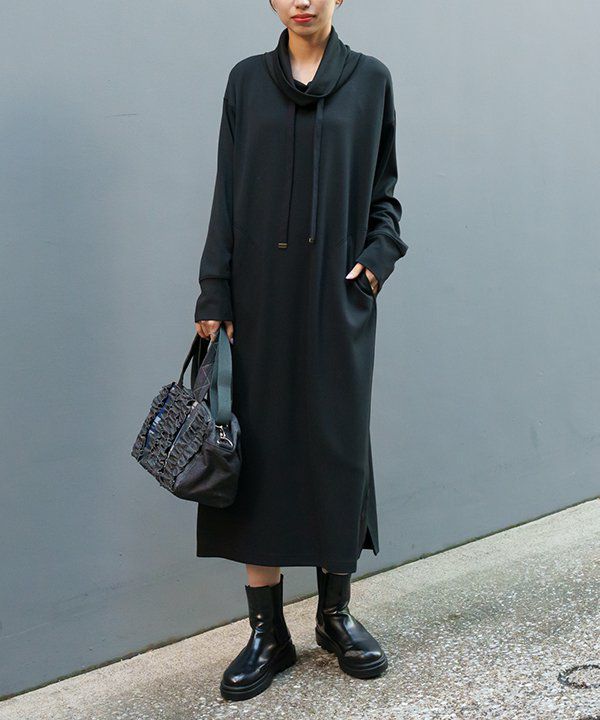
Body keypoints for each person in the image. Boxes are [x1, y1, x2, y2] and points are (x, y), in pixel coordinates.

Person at [194, 0, 408, 701]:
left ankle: (335, 616)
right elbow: (226, 194)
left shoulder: (371, 80)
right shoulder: (245, 81)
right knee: (256, 453)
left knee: (334, 447)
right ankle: (267, 632)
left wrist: (375, 263)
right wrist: (215, 293)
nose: (302, 1)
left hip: (334, 300)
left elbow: (385, 196)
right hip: (257, 302)